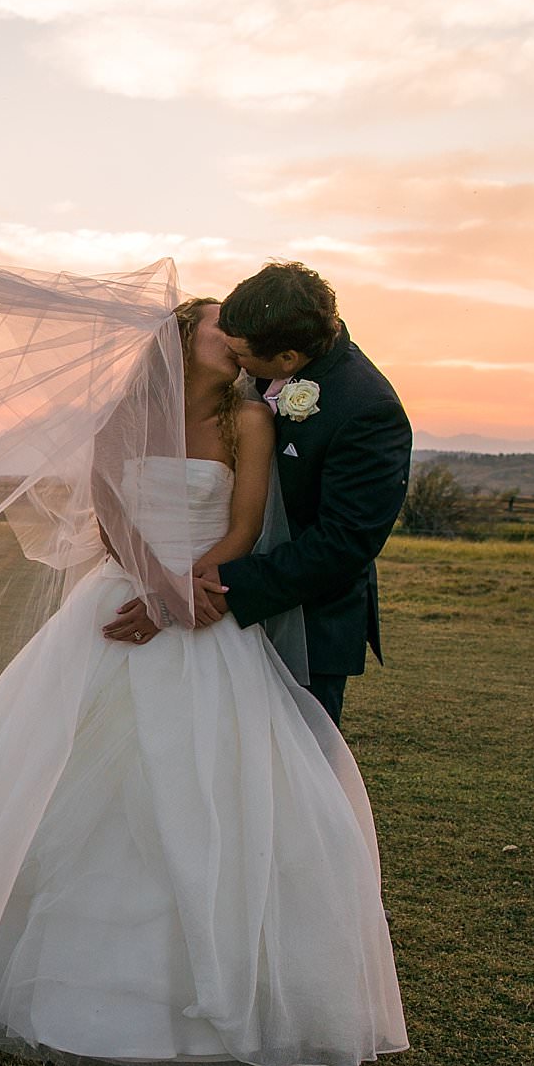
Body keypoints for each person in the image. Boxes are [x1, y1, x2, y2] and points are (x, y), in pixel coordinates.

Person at [0, 297, 407, 1066]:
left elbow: (242, 523)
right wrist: (155, 584)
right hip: (123, 596)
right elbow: (108, 506)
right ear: (176, 343)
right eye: (216, 326)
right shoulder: (124, 417)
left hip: (207, 606)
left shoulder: (255, 420)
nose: (233, 338)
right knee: (60, 771)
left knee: (218, 784)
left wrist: (189, 596)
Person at [197, 262, 413, 729]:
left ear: (289, 359)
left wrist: (229, 586)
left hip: (310, 618)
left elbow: (345, 542)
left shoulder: (368, 410)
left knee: (302, 763)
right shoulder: (255, 358)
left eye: (240, 354)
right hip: (228, 610)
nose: (233, 362)